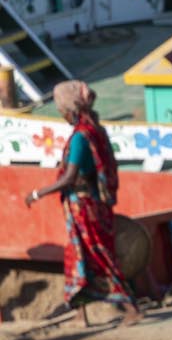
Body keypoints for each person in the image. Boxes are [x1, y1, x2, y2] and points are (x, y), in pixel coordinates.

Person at [22, 81, 140, 326]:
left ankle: (131, 308)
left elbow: (69, 178)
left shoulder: (79, 138)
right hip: (96, 203)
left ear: (71, 109)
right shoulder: (96, 130)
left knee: (98, 256)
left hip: (84, 207)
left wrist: (37, 193)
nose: (61, 114)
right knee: (79, 258)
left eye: (62, 109)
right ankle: (81, 314)